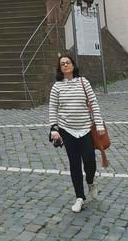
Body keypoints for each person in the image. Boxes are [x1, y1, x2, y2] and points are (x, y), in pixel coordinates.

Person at [49, 54, 105, 213]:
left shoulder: (83, 82)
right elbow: (53, 108)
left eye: (68, 62)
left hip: (86, 129)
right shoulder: (56, 87)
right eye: (62, 64)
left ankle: (91, 181)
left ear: (73, 65)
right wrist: (54, 128)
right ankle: (80, 197)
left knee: (89, 161)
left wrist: (99, 124)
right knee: (74, 165)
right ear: (60, 68)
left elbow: (93, 102)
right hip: (67, 130)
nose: (65, 65)